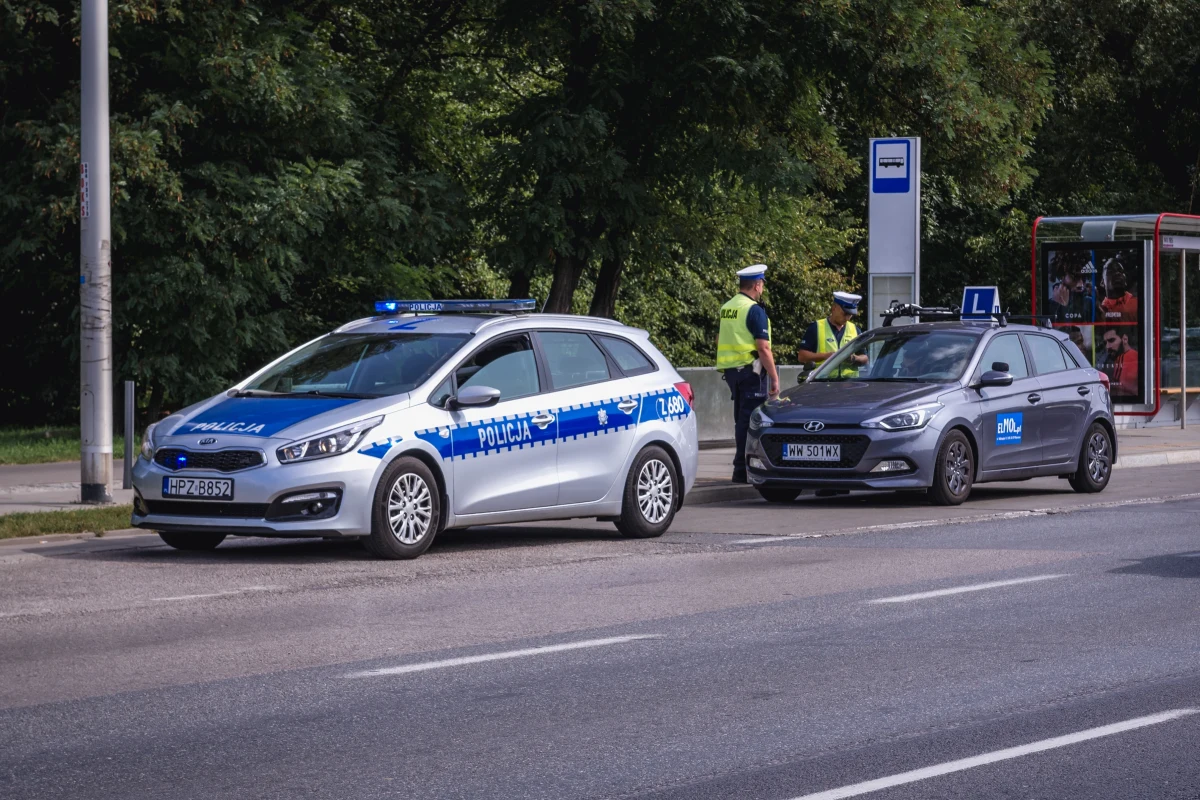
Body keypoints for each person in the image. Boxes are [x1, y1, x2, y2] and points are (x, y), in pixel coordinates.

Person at [716, 264, 780, 483]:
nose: (762, 289)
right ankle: (743, 470)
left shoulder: (727, 307)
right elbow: (763, 348)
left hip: (732, 373)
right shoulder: (754, 310)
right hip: (751, 373)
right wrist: (774, 377)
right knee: (751, 422)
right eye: (762, 284)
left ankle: (741, 469)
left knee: (741, 421)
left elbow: (720, 339)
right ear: (757, 285)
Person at [797, 291, 867, 377]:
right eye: (845, 314)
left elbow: (865, 358)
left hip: (850, 382)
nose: (848, 318)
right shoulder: (816, 327)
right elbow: (802, 356)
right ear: (834, 308)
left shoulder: (855, 330)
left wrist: (854, 358)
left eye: (850, 315)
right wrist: (826, 356)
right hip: (823, 381)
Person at [1099, 327, 1139, 398]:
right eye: (1105, 343)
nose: (1107, 346)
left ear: (1125, 339)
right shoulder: (1113, 359)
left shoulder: (1124, 358)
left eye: (1111, 340)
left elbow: (1120, 390)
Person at [1099, 256, 1138, 323]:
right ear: (1102, 282)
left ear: (1125, 281)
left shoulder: (1137, 303)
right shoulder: (1099, 310)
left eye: (1120, 271)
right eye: (1111, 271)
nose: (1117, 273)